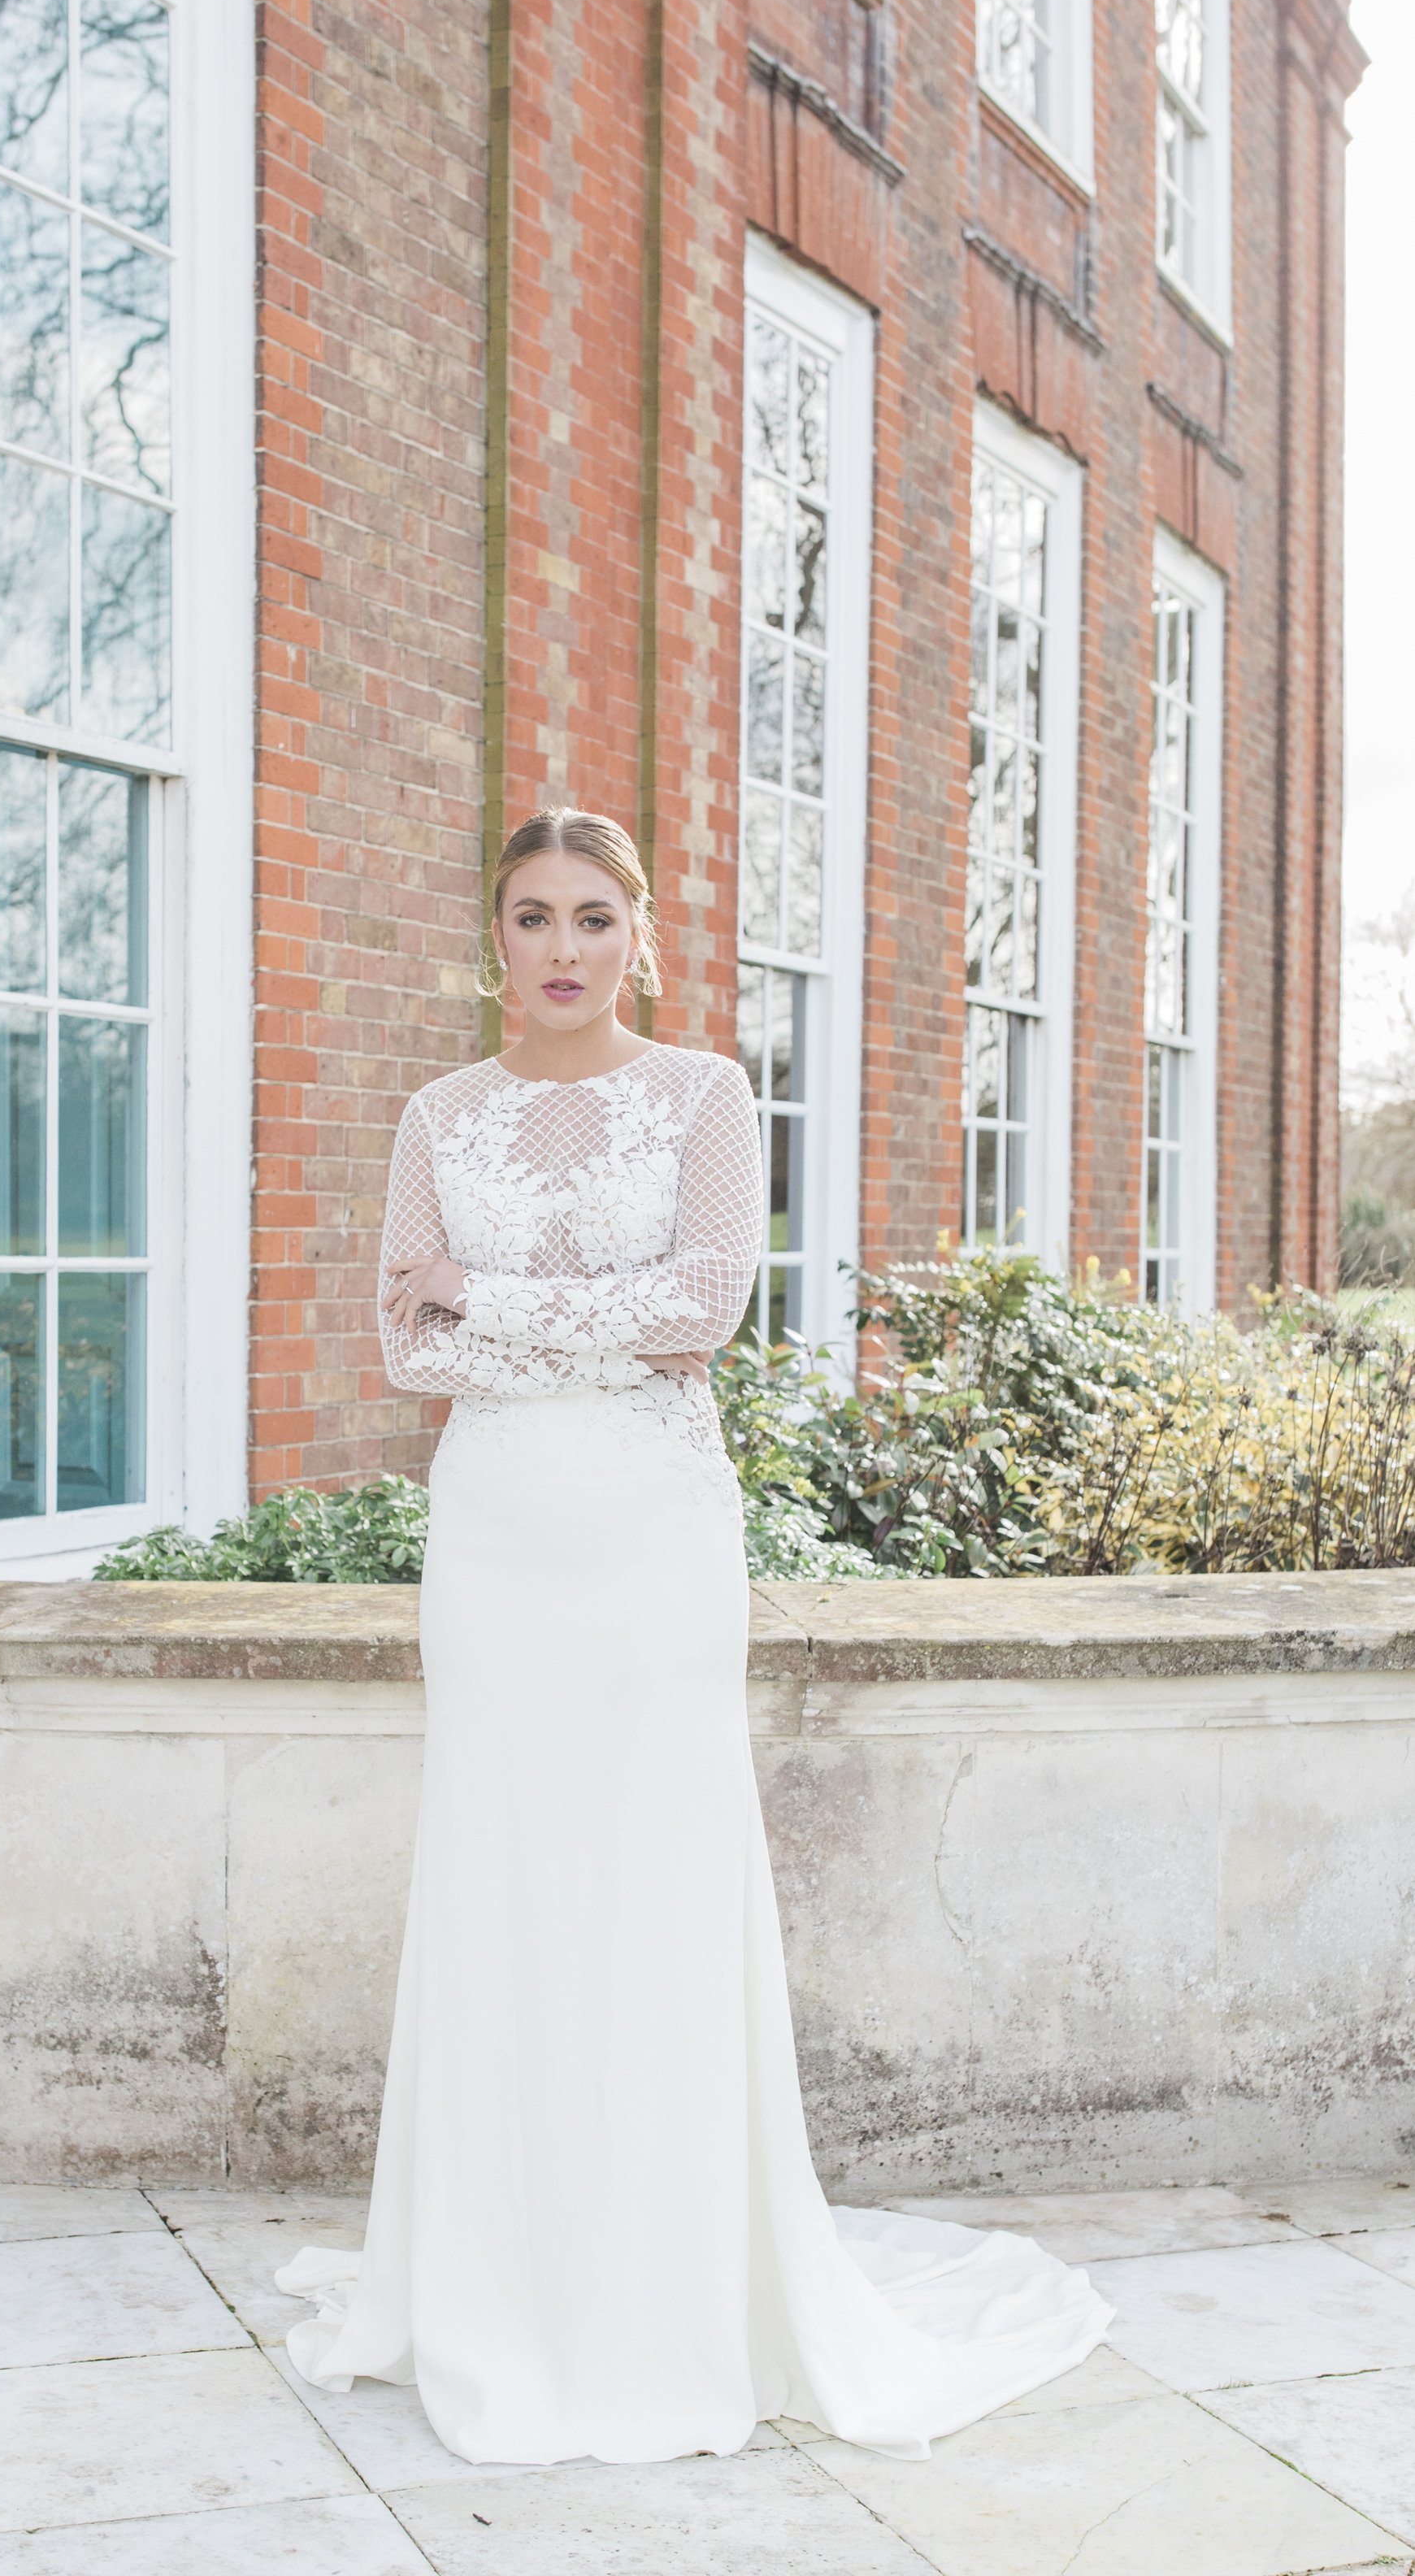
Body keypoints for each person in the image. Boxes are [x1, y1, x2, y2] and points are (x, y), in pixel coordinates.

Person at [279, 806, 1109, 2465]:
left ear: (638, 932)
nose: (564, 947)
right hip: (498, 1549)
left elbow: (703, 1311)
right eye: (531, 916)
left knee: (655, 1879)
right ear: (492, 937)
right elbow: (401, 1350)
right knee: (504, 1872)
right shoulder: (434, 1112)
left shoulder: (704, 1096)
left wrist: (488, 1296)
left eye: (595, 915)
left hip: (657, 1550)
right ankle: (500, 2273)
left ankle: (669, 2289)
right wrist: (540, 1325)